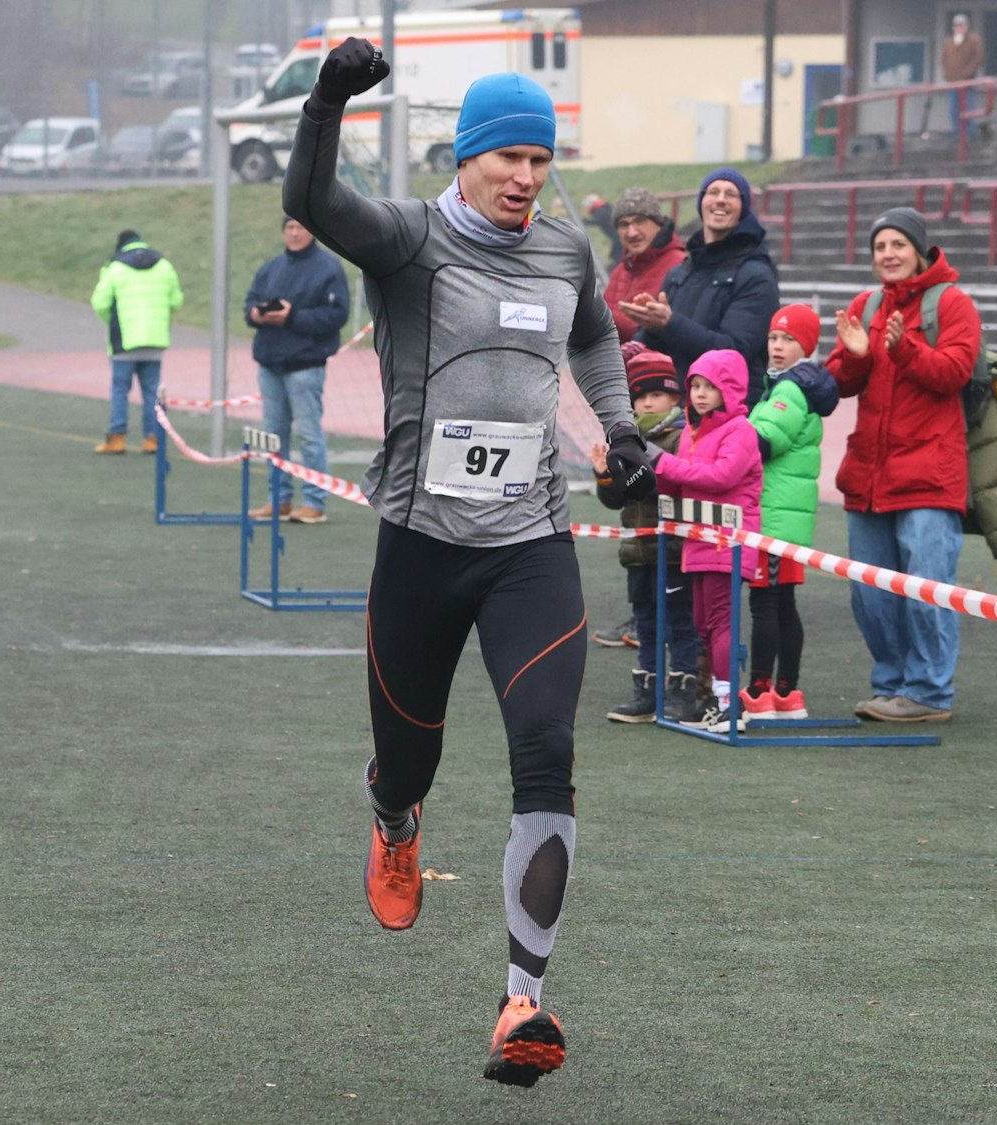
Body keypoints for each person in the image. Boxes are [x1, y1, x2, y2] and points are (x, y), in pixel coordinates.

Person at [284, 40, 647, 1087]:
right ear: (466, 158)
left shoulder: (564, 249)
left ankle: (521, 999)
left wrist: (619, 428)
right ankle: (394, 819)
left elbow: (592, 338)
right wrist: (327, 100)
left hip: (530, 545)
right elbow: (311, 198)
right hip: (421, 546)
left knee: (546, 749)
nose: (525, 178)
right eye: (507, 159)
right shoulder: (408, 239)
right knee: (409, 762)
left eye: (540, 160)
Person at [827, 207, 981, 723]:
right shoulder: (865, 305)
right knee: (870, 595)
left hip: (929, 477)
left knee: (925, 591)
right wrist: (856, 356)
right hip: (869, 476)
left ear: (919, 250)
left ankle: (929, 692)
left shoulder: (952, 304)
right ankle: (891, 686)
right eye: (880, 247)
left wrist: (905, 348)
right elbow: (839, 383)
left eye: (897, 244)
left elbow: (955, 373)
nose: (888, 254)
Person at [651, 348, 764, 729]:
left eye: (710, 386)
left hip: (727, 541)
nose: (700, 393)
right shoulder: (692, 432)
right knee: (704, 624)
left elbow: (721, 477)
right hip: (699, 540)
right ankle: (718, 698)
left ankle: (731, 704)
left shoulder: (741, 430)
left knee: (720, 623)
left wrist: (663, 462)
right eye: (695, 385)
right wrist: (649, 469)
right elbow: (680, 482)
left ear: (729, 389)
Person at [592, 344, 699, 722]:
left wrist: (649, 462)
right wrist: (606, 476)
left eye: (657, 394)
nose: (648, 402)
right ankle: (647, 693)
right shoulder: (627, 441)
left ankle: (684, 690)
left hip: (675, 550)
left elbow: (686, 483)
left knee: (681, 622)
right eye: (640, 396)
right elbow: (615, 500)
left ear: (674, 397)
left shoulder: (684, 436)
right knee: (646, 623)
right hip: (637, 551)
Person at [742, 304, 838, 720]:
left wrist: (725, 432)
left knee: (765, 605)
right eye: (773, 338)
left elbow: (765, 442)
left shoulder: (789, 390)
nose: (777, 346)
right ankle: (786, 693)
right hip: (787, 516)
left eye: (789, 340)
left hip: (774, 516)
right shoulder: (787, 386)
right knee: (782, 605)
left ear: (807, 347)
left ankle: (761, 692)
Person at [622, 169, 780, 405]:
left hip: (729, 410)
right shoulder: (680, 272)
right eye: (713, 192)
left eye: (731, 194)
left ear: (743, 207)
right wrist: (650, 328)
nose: (720, 200)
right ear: (701, 202)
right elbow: (661, 345)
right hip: (680, 406)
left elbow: (734, 352)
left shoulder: (757, 275)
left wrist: (668, 323)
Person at [243, 216, 351, 523]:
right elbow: (249, 304)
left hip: (305, 365)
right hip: (270, 364)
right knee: (273, 435)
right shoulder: (271, 268)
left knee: (309, 436)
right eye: (289, 228)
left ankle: (314, 502)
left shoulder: (329, 268)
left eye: (300, 227)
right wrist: (256, 314)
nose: (294, 233)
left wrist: (293, 316)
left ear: (311, 232)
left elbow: (336, 315)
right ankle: (279, 499)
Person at [87, 229, 183, 455]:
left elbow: (100, 302)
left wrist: (111, 321)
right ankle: (153, 439)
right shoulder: (164, 265)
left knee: (120, 389)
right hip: (155, 339)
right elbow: (176, 301)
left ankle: (117, 438)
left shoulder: (114, 267)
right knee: (152, 391)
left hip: (124, 339)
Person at [603, 187, 687, 346]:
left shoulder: (680, 264)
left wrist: (596, 314)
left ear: (658, 225)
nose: (632, 233)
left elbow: (658, 332)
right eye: (624, 225)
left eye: (639, 221)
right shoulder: (620, 271)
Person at [936, 12, 986, 141]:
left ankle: (969, 134)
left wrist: (968, 73)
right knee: (954, 109)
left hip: (967, 82)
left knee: (968, 108)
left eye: (962, 25)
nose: (959, 28)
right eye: (956, 25)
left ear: (967, 26)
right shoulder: (949, 41)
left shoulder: (973, 40)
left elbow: (978, 58)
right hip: (952, 81)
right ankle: (957, 133)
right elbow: (943, 59)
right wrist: (946, 73)